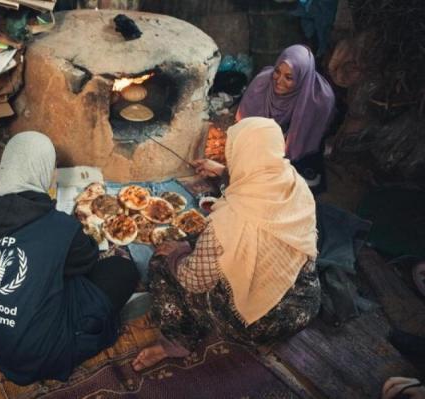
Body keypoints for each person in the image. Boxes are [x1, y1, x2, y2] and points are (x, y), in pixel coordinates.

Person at [132, 117, 321, 371]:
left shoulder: (226, 221)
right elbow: (256, 187)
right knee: (203, 245)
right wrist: (223, 172)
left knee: (162, 262)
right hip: (303, 304)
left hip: (257, 323)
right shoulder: (295, 185)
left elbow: (192, 280)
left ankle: (177, 341)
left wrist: (178, 254)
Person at [0, 131, 139, 385]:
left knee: (50, 273)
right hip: (39, 354)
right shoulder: (59, 226)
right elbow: (88, 260)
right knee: (122, 270)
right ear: (43, 171)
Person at [236, 44, 335, 187]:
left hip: (300, 154)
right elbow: (244, 126)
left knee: (296, 187)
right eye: (277, 71)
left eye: (289, 77)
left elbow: (311, 139)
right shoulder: (261, 85)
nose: (278, 81)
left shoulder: (319, 101)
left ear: (302, 78)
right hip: (262, 148)